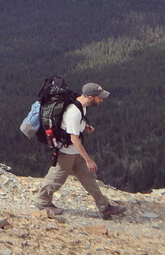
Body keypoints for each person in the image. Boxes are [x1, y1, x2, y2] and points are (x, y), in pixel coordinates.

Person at [35, 82, 125, 217]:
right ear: (90, 97)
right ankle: (42, 201)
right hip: (66, 152)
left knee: (89, 179)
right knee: (56, 179)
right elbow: (74, 139)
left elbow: (74, 126)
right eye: (99, 97)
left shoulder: (81, 106)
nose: (101, 100)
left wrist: (85, 126)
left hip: (75, 152)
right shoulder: (74, 113)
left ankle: (104, 207)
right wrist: (88, 159)